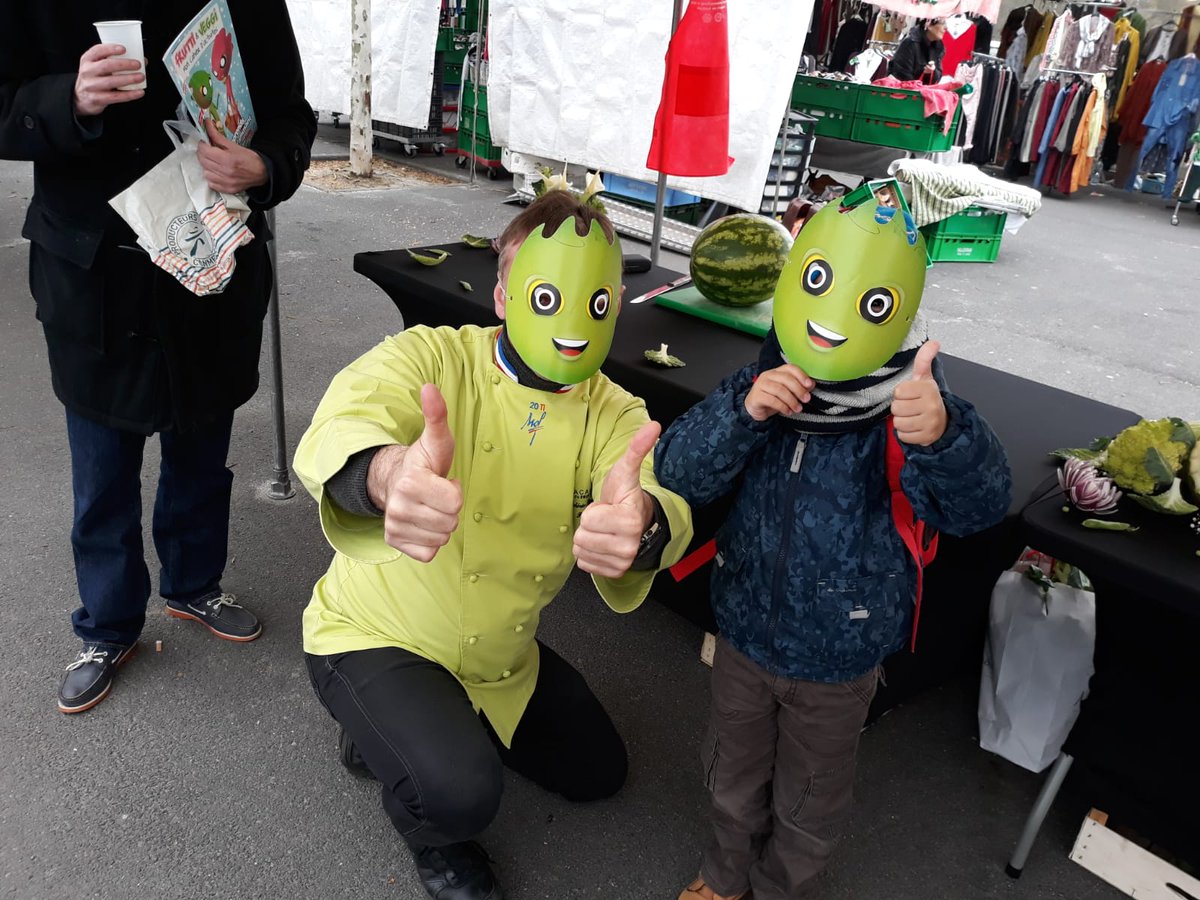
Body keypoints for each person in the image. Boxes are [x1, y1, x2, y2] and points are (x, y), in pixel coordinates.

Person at [294, 188, 694, 900]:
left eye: (596, 305)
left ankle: (414, 735)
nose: (572, 324)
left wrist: (644, 528)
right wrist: (386, 476)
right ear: (505, 297)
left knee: (599, 774)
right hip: (379, 631)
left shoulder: (615, 410)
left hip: (501, 654)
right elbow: (345, 417)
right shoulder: (433, 355)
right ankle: (429, 829)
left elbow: (655, 492)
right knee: (459, 795)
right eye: (545, 297)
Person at [657, 199, 1013, 900]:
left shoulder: (914, 403)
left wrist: (943, 438)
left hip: (840, 654)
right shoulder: (764, 381)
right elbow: (677, 471)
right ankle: (726, 876)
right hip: (745, 633)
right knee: (731, 773)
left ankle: (784, 888)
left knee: (810, 800)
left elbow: (977, 510)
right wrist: (744, 411)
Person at [0, 4, 316, 714]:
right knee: (102, 469)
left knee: (203, 446)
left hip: (212, 259)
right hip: (92, 273)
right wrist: (66, 98)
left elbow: (292, 113)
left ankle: (194, 584)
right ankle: (106, 627)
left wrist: (264, 165)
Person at [889, 18, 948, 82]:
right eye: (942, 23)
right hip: (903, 90)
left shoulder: (938, 47)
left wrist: (933, 72)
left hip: (922, 90)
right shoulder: (910, 43)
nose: (945, 28)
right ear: (929, 25)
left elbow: (938, 75)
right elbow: (901, 74)